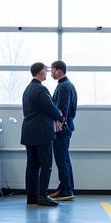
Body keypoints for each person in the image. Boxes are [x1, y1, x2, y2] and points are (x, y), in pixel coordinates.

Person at [21, 62, 63, 207]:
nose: (47, 73)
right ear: (40, 72)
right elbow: (51, 109)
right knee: (46, 166)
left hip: (29, 133)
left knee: (32, 166)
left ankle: (31, 197)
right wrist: (61, 117)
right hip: (41, 134)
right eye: (46, 71)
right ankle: (43, 196)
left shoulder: (28, 89)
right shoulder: (40, 90)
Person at [49, 60, 77, 201]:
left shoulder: (64, 87)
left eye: (52, 70)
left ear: (59, 70)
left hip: (62, 129)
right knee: (64, 159)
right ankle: (66, 187)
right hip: (65, 128)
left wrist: (59, 124)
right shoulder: (66, 85)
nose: (51, 73)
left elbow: (62, 109)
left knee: (61, 160)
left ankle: (66, 190)